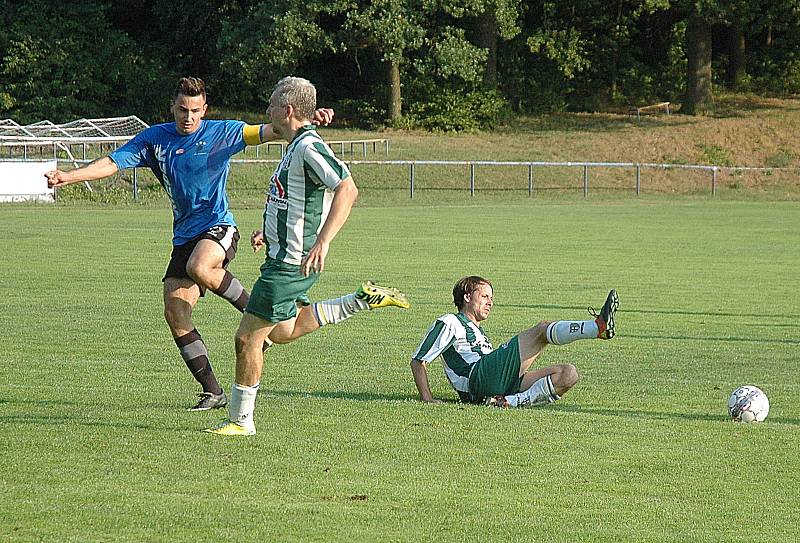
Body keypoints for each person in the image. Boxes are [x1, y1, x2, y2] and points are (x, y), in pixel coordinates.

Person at [44, 76, 334, 412]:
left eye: (195, 110)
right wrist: (68, 176)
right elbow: (111, 163)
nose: (188, 117)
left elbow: (274, 130)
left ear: (204, 109)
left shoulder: (223, 132)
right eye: (183, 109)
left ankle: (257, 315)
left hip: (219, 228)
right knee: (175, 311)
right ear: (173, 107)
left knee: (200, 266)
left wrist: (309, 119)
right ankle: (213, 391)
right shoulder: (154, 139)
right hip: (184, 236)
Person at [205, 76, 409, 437]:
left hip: (289, 265)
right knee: (284, 330)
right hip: (284, 257)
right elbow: (293, 201)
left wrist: (324, 241)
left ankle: (241, 421)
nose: (266, 111)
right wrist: (267, 233)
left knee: (247, 339)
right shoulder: (296, 144)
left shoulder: (308, 147)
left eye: (271, 105)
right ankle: (361, 300)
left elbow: (347, 188)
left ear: (286, 111)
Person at [410, 276, 619, 407]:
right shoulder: (450, 321)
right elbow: (419, 360)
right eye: (484, 296)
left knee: (568, 374)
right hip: (478, 378)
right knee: (541, 330)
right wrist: (427, 398)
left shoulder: (479, 332)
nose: (490, 302)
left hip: (494, 383)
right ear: (466, 297)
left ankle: (507, 402)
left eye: (491, 298)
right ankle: (597, 328)